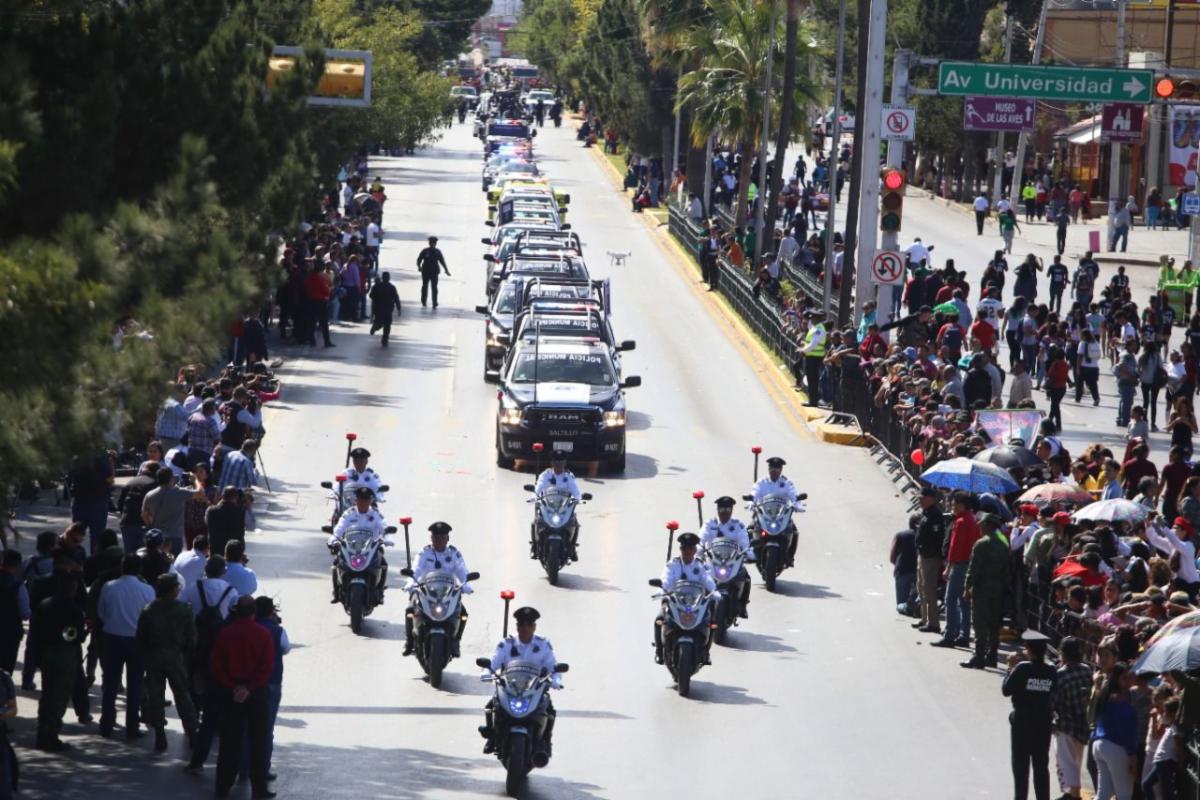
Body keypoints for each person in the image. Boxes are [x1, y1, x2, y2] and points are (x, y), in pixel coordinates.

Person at [210, 596, 276, 800]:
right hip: (256, 694)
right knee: (258, 741)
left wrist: (234, 687)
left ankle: (223, 786)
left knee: (229, 741)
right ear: (254, 612)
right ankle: (259, 789)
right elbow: (267, 667)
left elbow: (216, 665)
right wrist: (249, 688)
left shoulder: (225, 634)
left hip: (230, 693)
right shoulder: (263, 634)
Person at [479, 606, 561, 760]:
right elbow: (493, 661)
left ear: (534, 627)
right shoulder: (507, 644)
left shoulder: (543, 645)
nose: (525, 628)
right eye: (521, 625)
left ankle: (546, 741)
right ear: (517, 626)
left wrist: (556, 680)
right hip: (510, 687)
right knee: (492, 705)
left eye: (529, 625)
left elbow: (553, 666)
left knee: (549, 710)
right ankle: (493, 736)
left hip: (534, 689)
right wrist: (486, 672)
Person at [96, 554, 156, 739]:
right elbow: (150, 619)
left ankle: (106, 724)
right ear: (139, 570)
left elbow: (101, 613)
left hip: (112, 639)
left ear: (122, 568)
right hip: (137, 642)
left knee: (110, 684)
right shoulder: (148, 590)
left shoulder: (109, 587)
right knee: (135, 686)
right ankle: (132, 726)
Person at [137, 573, 197, 752]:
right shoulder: (184, 610)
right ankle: (193, 732)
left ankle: (160, 736)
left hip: (154, 658)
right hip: (175, 658)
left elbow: (140, 638)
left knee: (156, 696)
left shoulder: (148, 610)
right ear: (173, 590)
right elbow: (192, 639)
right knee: (183, 695)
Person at [403, 521, 473, 656]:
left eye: (442, 537)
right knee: (409, 609)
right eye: (436, 537)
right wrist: (410, 582)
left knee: (463, 613)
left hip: (447, 593)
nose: (439, 540)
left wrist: (467, 585)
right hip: (425, 593)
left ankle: (456, 641)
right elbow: (416, 569)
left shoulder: (454, 554)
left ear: (447, 538)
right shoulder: (424, 553)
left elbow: (462, 571)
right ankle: (409, 641)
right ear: (431, 538)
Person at [33, 570, 85, 751]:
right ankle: (51, 737)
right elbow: (75, 636)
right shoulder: (74, 610)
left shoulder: (44, 605)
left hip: (47, 653)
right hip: (65, 655)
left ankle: (42, 733)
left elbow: (36, 632)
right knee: (59, 697)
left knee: (47, 695)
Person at [1003, 630, 1057, 800]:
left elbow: (1006, 690)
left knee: (1021, 768)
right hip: (1043, 722)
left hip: (1022, 722)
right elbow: (1055, 692)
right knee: (1041, 766)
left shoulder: (1022, 668)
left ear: (1029, 649)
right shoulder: (1051, 670)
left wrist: (1010, 668)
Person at [653, 532, 717, 666]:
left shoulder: (700, 566)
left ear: (694, 550)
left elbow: (707, 579)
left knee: (711, 621)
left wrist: (714, 591)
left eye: (690, 549)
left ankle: (706, 652)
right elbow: (666, 580)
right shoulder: (673, 565)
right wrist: (661, 591)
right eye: (684, 549)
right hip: (674, 601)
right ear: (680, 549)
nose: (687, 552)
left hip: (695, 603)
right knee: (659, 620)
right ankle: (659, 652)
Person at [328, 487, 392, 604]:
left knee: (383, 563)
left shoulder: (376, 514)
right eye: (360, 500)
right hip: (351, 547)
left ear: (370, 501)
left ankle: (380, 592)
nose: (363, 503)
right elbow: (339, 528)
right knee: (336, 563)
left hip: (370, 549)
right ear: (356, 501)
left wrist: (388, 539)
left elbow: (384, 527)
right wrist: (333, 539)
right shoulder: (348, 514)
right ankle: (336, 592)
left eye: (366, 501)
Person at [932, 491, 979, 649]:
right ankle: (964, 635)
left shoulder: (960, 522)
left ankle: (950, 635)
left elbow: (955, 547)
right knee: (964, 602)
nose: (952, 507)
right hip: (968, 564)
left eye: (953, 504)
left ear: (960, 505)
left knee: (950, 600)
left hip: (959, 565)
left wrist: (948, 568)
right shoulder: (972, 520)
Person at [961, 513, 1008, 668]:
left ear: (988, 526)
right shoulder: (1003, 543)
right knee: (994, 624)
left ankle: (979, 656)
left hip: (982, 589)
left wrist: (967, 587)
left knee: (979, 623)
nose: (979, 527)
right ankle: (992, 656)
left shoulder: (981, 543)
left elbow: (973, 568)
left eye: (981, 525)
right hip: (998, 589)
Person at [1050, 636, 1093, 800]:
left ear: (1063, 653)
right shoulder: (1086, 670)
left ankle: (1074, 794)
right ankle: (1071, 793)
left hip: (1066, 724)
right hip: (1083, 722)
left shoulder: (1060, 675)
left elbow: (1053, 701)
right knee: (1077, 760)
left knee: (1066, 762)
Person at [251, 596, 288, 782]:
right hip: (271, 682)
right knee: (266, 728)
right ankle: (262, 769)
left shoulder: (243, 628)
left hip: (246, 683)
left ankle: (243, 768)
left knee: (244, 726)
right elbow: (285, 648)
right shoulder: (276, 630)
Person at [701, 496, 755, 617]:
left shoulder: (738, 525)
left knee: (745, 577)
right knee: (699, 578)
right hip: (713, 561)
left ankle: (742, 606)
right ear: (717, 510)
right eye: (722, 510)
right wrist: (699, 550)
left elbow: (744, 541)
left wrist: (748, 551)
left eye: (727, 510)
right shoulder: (710, 524)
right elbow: (701, 539)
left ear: (731, 511)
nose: (724, 514)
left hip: (731, 561)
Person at [1092, 663, 1138, 800]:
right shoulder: (1126, 708)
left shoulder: (1104, 699)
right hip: (1116, 749)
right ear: (1117, 679)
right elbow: (1130, 736)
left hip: (1098, 745)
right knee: (1124, 794)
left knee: (1103, 793)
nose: (1129, 681)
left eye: (1130, 677)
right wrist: (1133, 758)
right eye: (1125, 678)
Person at [118, 461, 160, 553]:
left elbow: (120, 504)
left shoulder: (131, 482)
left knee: (130, 555)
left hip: (127, 522)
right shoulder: (155, 484)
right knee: (144, 555)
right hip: (143, 524)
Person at [0, 552, 28, 676]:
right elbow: (25, 613)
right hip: (10, 633)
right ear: (17, 566)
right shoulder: (18, 586)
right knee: (6, 670)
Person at [890, 515, 919, 617]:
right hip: (918, 570)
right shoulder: (922, 536)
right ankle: (915, 609)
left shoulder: (900, 535)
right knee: (917, 598)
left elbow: (892, 556)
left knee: (901, 603)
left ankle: (907, 609)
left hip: (902, 569)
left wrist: (896, 565)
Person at [205, 487, 247, 557]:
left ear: (222, 496)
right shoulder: (238, 512)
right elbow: (241, 533)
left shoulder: (211, 511)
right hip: (233, 552)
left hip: (215, 551)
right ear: (235, 498)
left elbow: (207, 523)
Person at [798, 311, 827, 406]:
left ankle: (813, 401)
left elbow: (814, 343)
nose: (811, 320)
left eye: (813, 318)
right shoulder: (814, 328)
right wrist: (804, 346)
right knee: (811, 379)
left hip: (815, 358)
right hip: (811, 357)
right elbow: (810, 342)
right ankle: (812, 400)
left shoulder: (819, 329)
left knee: (813, 380)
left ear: (817, 319)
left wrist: (803, 350)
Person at [368, 271, 402, 347]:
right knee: (387, 325)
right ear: (389, 278)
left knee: (380, 322)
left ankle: (376, 328)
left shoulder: (377, 286)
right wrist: (399, 308)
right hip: (388, 309)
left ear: (382, 278)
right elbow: (396, 298)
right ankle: (384, 340)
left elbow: (371, 295)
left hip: (378, 309)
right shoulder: (392, 287)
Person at [417, 236, 451, 308]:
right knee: (425, 286)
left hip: (434, 272)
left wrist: (446, 270)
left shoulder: (438, 252)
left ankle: (434, 302)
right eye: (431, 243)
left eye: (434, 243)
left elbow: (442, 261)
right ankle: (424, 301)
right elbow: (419, 259)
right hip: (425, 271)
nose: (432, 244)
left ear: (435, 244)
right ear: (429, 243)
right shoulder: (425, 251)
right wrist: (419, 266)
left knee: (434, 288)